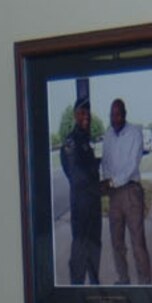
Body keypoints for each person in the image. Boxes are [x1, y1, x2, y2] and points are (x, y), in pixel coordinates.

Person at [100, 97, 152, 285]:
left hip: (131, 192)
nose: (113, 118)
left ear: (124, 114)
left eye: (117, 114)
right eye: (111, 114)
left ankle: (145, 283)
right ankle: (123, 279)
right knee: (117, 242)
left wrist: (113, 181)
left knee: (137, 242)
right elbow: (105, 161)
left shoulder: (135, 133)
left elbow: (132, 165)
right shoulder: (107, 134)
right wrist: (106, 181)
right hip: (114, 195)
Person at [60, 98, 102, 286]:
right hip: (81, 206)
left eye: (88, 113)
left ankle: (94, 282)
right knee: (80, 247)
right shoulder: (71, 142)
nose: (86, 116)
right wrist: (97, 184)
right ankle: (76, 289)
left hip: (93, 204)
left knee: (94, 244)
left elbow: (89, 167)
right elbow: (76, 176)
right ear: (75, 115)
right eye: (82, 112)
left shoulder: (85, 140)